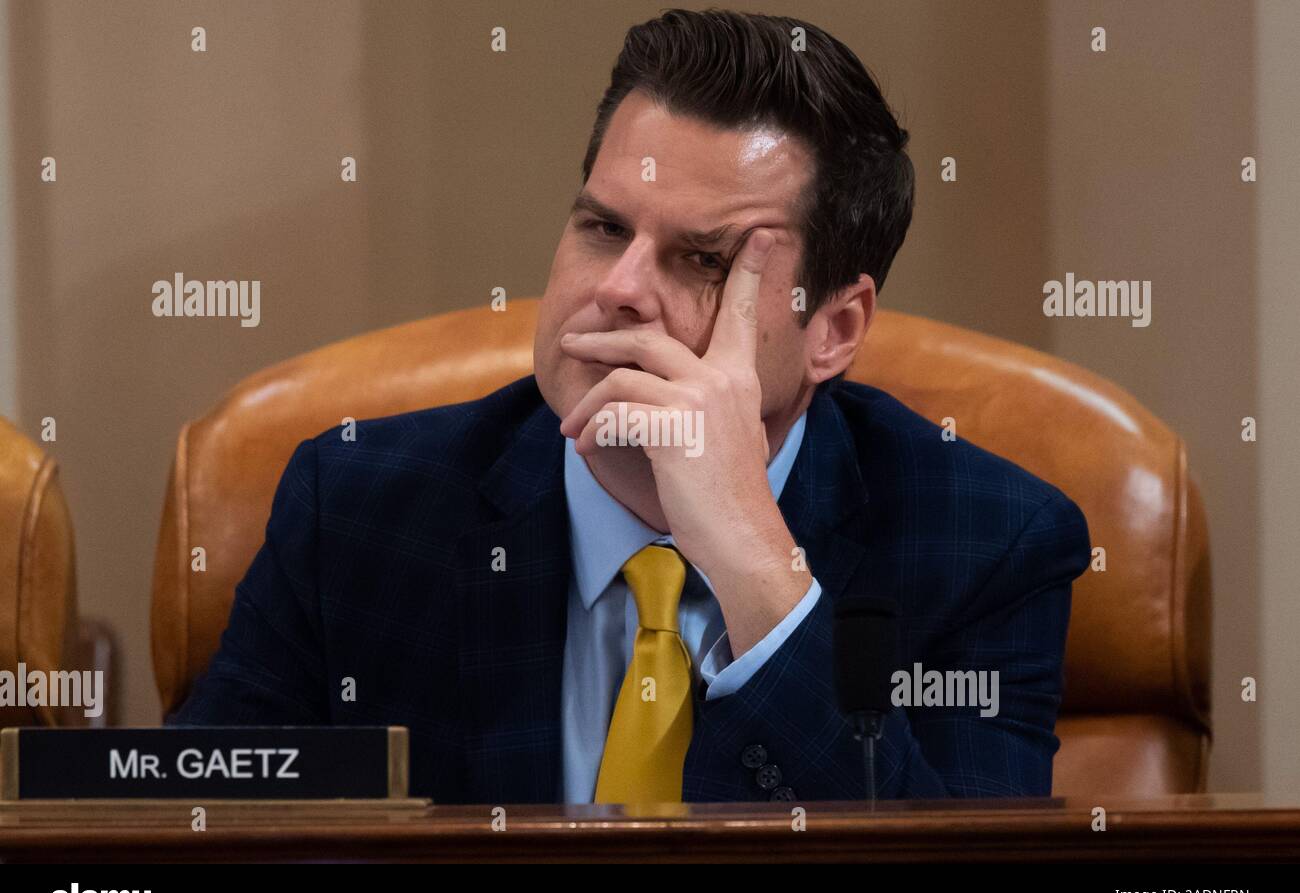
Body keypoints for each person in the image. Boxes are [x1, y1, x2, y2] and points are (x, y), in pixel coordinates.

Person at [172, 9, 1091, 804]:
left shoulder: (986, 544)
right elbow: (187, 841)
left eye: (701, 260)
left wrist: (755, 565)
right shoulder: (359, 510)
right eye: (604, 227)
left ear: (833, 329)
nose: (616, 289)